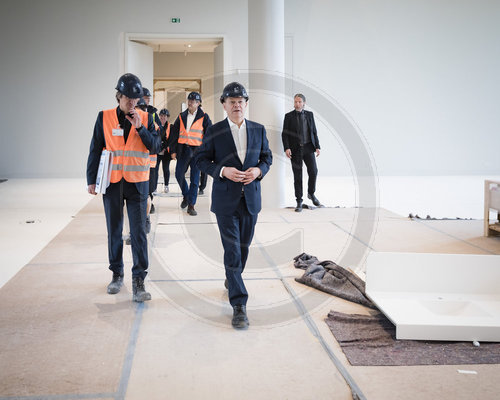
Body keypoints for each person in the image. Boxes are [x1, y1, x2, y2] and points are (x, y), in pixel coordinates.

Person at [196, 82, 272, 329]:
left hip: (250, 200)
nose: (237, 105)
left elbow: (267, 158)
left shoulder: (258, 130)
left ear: (246, 104)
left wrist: (259, 171)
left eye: (241, 102)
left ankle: (233, 276)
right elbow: (201, 160)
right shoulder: (214, 130)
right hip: (225, 201)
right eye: (232, 102)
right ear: (224, 105)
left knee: (244, 247)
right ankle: (239, 304)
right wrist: (222, 171)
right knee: (233, 251)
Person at [86, 73, 160, 302]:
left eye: (136, 98)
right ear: (119, 96)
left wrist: (141, 128)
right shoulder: (105, 117)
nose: (132, 102)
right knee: (115, 231)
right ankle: (117, 274)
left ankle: (139, 279)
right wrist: (91, 180)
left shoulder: (147, 118)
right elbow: (95, 149)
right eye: (128, 98)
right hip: (113, 182)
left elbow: (156, 146)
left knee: (138, 233)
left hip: (138, 183)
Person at [171, 91, 212, 216]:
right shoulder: (181, 116)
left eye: (193, 101)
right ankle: (186, 195)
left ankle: (191, 205)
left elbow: (209, 135)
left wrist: (206, 152)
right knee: (178, 174)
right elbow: (174, 134)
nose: (190, 102)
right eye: (189, 100)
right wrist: (172, 150)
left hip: (197, 152)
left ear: (198, 103)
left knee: (195, 179)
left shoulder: (204, 117)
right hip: (183, 150)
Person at [281, 94, 321, 212]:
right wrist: (287, 148)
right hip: (295, 149)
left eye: (299, 102)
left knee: (313, 171)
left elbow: (314, 131)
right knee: (297, 176)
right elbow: (284, 134)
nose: (297, 104)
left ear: (304, 103)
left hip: (309, 147)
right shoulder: (288, 116)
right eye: (295, 102)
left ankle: (311, 193)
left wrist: (317, 146)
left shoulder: (310, 115)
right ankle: (299, 200)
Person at [157, 108, 175, 193]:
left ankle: (166, 185)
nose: (163, 117)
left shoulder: (171, 127)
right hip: (157, 151)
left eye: (165, 116)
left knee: (166, 169)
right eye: (161, 116)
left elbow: (171, 139)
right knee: (155, 169)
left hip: (166, 152)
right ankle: (154, 187)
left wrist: (164, 146)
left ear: (167, 117)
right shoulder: (155, 125)